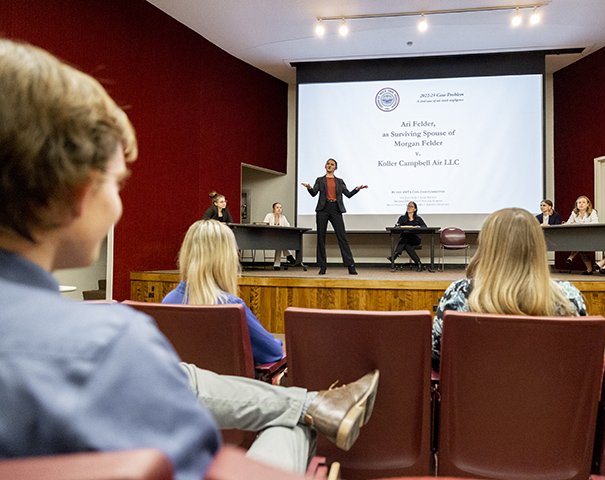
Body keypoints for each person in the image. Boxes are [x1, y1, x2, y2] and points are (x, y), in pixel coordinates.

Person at [0, 38, 380, 478]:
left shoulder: (111, 335)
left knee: (183, 373)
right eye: (115, 183)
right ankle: (308, 409)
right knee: (292, 427)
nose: (118, 203)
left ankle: (312, 402)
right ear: (78, 193)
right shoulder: (107, 342)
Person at [431, 208, 587, 371]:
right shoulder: (569, 298)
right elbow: (582, 360)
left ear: (486, 246)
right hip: (549, 394)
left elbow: (437, 356)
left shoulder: (459, 295)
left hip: (476, 394)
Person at [162, 219, 284, 364]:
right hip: (226, 385)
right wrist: (276, 342)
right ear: (226, 258)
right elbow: (273, 352)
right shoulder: (231, 307)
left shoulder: (168, 301)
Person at [301, 158, 367, 275]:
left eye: (332, 164)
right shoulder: (320, 180)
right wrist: (309, 188)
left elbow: (348, 194)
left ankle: (350, 265)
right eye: (328, 164)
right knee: (321, 238)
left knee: (342, 237)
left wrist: (357, 189)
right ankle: (322, 266)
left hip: (336, 209)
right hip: (323, 210)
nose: (330, 166)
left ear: (335, 168)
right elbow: (314, 194)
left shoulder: (339, 181)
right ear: (325, 166)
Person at [387, 201, 427, 271]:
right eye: (408, 206)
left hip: (415, 239)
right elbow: (397, 226)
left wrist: (418, 227)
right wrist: (402, 226)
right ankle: (419, 264)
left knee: (405, 239)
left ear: (415, 209)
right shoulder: (402, 218)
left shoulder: (418, 219)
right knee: (407, 244)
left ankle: (395, 255)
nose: (409, 207)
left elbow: (425, 227)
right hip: (405, 239)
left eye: (411, 206)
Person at [565, 195, 599, 275]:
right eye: (579, 202)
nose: (581, 204)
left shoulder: (592, 212)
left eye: (583, 202)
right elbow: (568, 223)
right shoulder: (574, 213)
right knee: (581, 247)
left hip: (591, 236)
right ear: (576, 205)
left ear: (588, 204)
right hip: (580, 237)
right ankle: (589, 270)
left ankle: (571, 257)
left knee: (580, 244)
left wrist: (577, 224)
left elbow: (595, 223)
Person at [263, 202, 297, 270]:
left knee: (280, 243)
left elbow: (288, 227)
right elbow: (264, 226)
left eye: (280, 208)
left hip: (279, 238)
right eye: (277, 207)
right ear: (273, 209)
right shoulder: (269, 216)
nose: (279, 209)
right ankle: (289, 256)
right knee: (280, 242)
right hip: (269, 238)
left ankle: (277, 264)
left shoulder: (283, 217)